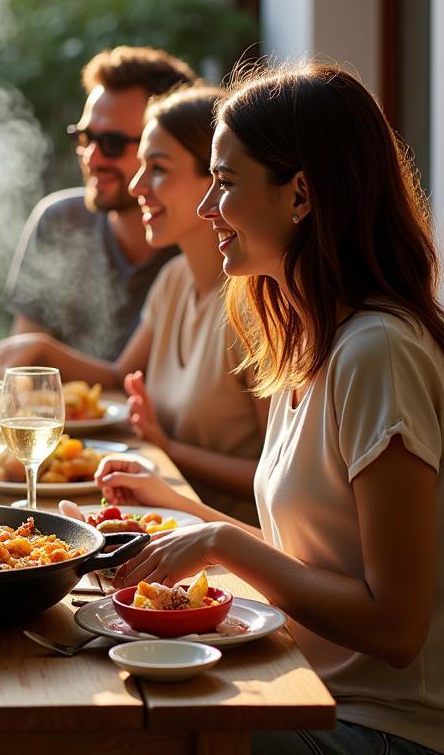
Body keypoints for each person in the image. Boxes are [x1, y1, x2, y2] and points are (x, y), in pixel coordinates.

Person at [95, 63, 443, 755]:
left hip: (375, 726)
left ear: (301, 195)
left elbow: (396, 628)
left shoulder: (377, 353)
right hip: (298, 687)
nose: (205, 210)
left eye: (224, 183)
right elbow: (305, 561)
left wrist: (222, 540)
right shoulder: (310, 340)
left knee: (113, 734)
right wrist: (182, 511)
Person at [2, 85, 267, 521]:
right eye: (140, 167)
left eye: (157, 169)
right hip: (162, 520)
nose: (137, 185)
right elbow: (118, 376)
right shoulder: (174, 280)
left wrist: (167, 449)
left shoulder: (254, 306)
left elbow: (274, 478)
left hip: (226, 548)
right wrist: (40, 352)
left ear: (215, 180)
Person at [1, 46, 196, 363]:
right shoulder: (61, 221)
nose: (92, 158)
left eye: (113, 144)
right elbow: (24, 369)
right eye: (84, 137)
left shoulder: (203, 247)